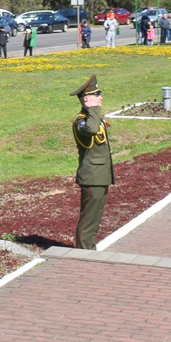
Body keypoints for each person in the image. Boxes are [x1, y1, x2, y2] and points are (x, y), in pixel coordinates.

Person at [69, 75, 114, 250]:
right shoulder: (81, 121)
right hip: (92, 176)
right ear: (87, 99)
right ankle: (84, 250)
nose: (101, 98)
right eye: (97, 95)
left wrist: (94, 111)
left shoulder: (93, 118)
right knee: (89, 217)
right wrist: (93, 109)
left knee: (95, 216)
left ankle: (89, 247)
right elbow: (91, 129)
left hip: (100, 176)